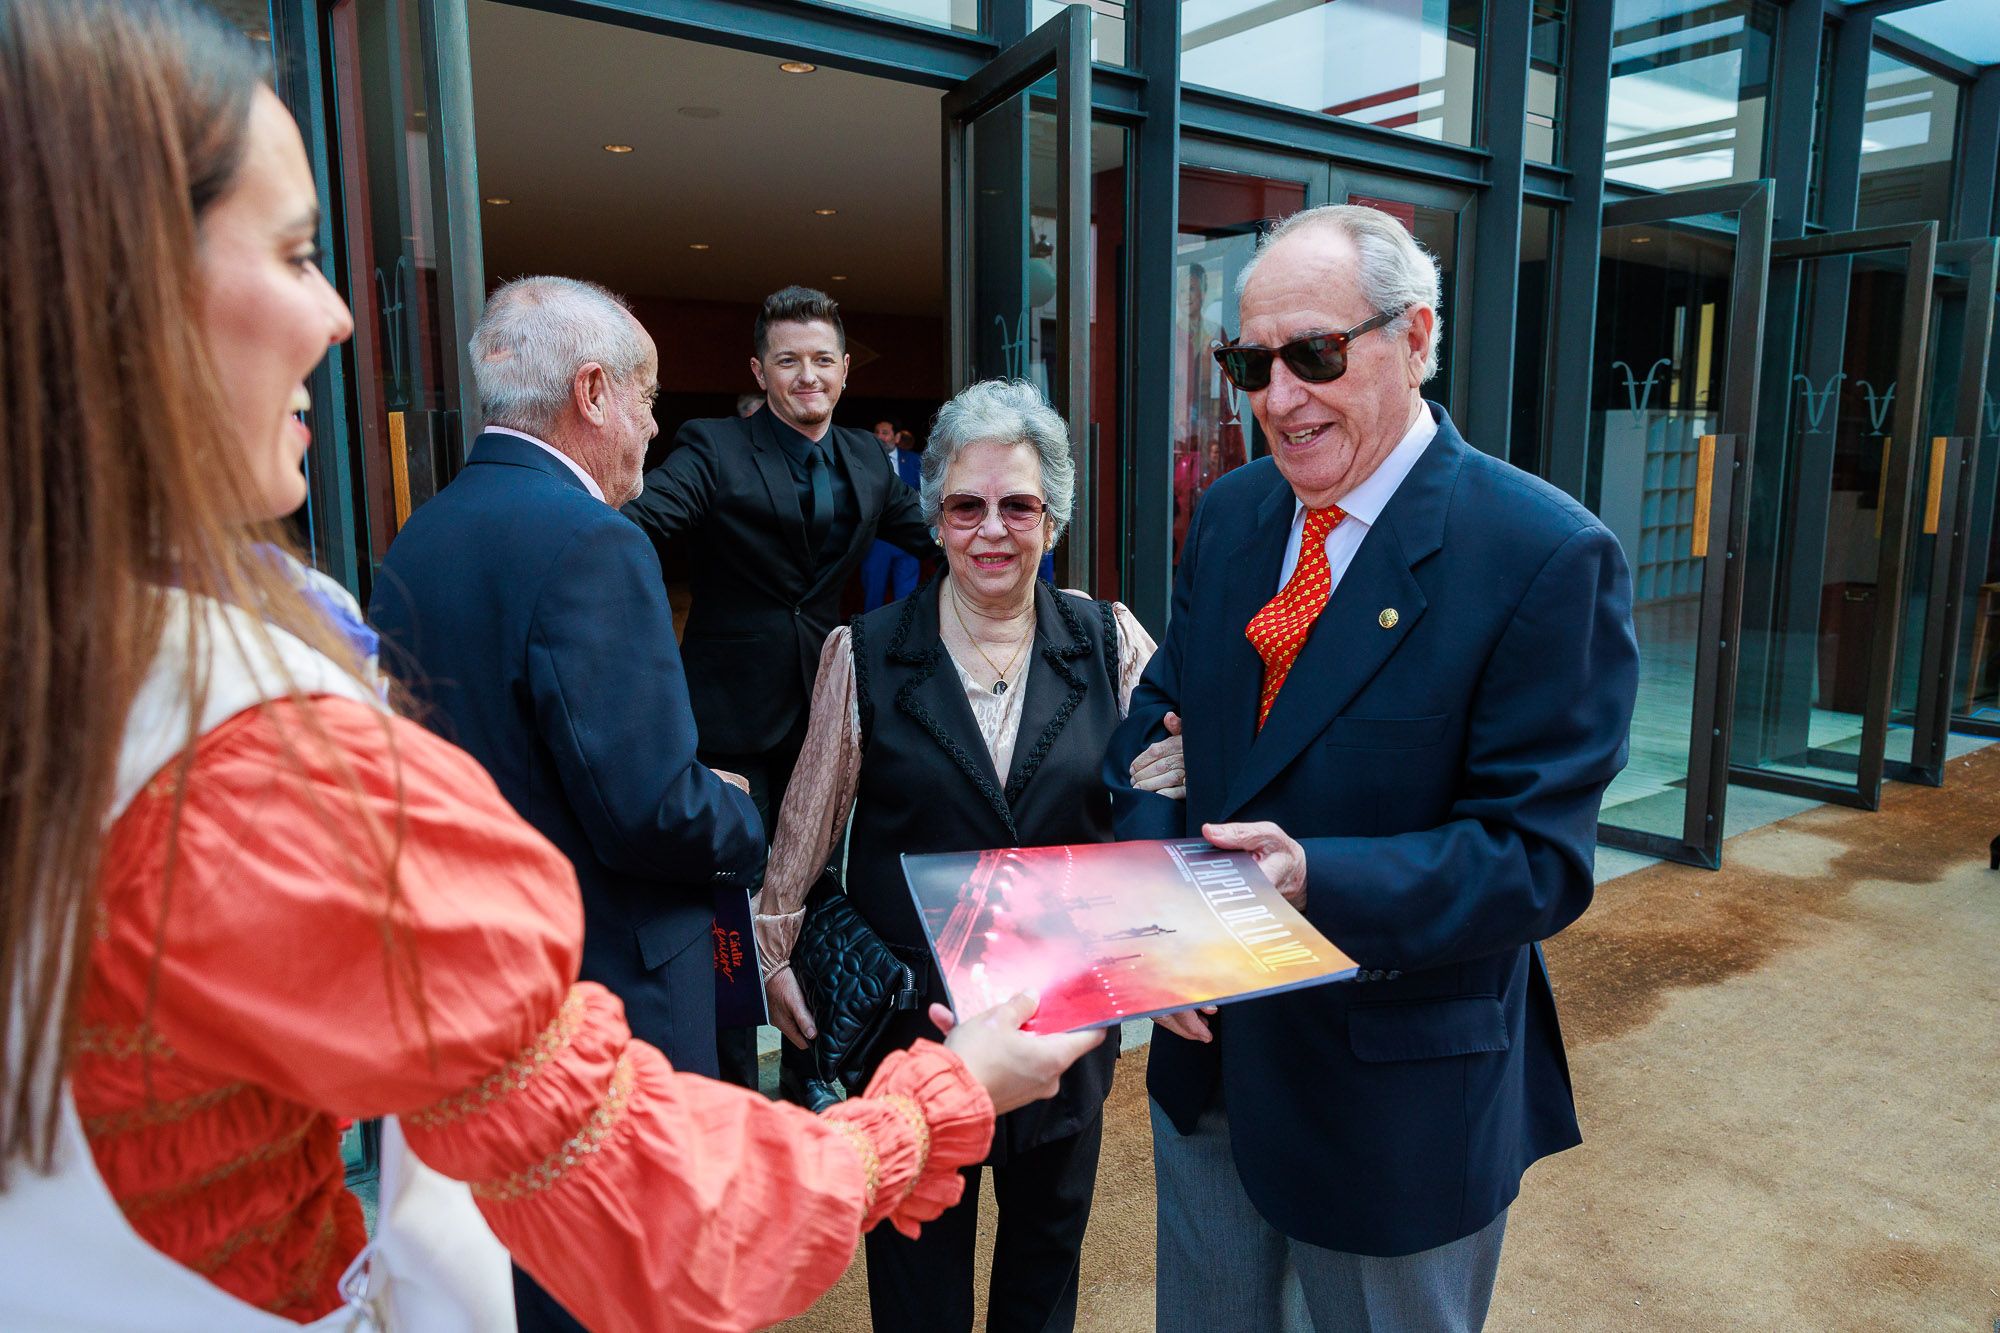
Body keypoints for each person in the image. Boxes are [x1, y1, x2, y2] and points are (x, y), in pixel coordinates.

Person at [0, 4, 1101, 1330]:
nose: (340, 316)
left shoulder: (364, 569)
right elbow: (669, 1215)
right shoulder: (251, 735)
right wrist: (944, 1091)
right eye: (295, 252)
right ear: (116, 294)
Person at [1106, 204, 1640, 1332]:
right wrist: (1159, 926)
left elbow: (1535, 861)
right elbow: (1160, 720)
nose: (1278, 396)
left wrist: (1312, 879)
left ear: (1415, 336)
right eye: (1250, 363)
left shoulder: (1543, 555)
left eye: (1314, 354)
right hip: (1208, 1057)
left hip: (1391, 1092)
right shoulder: (1235, 514)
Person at [368, 275, 767, 1330]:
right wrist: (744, 814)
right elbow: (646, 810)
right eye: (644, 396)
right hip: (607, 997)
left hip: (475, 994)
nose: (650, 425)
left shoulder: (418, 541)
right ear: (592, 392)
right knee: (630, 1281)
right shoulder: (594, 541)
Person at [759, 380, 1169, 1332]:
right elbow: (810, 814)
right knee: (916, 1291)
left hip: (1060, 1024)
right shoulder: (862, 651)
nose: (993, 530)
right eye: (966, 505)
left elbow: (1175, 775)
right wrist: (774, 949)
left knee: (1043, 1273)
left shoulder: (1109, 639)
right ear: (936, 517)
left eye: (1018, 505)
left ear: (1053, 516)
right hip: (914, 1026)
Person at [622, 286, 934, 1090]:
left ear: (842, 370)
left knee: (819, 899)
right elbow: (639, 529)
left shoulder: (869, 459)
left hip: (831, 715)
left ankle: (813, 1070)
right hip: (728, 719)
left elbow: (945, 538)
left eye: (823, 359)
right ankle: (732, 1090)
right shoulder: (714, 446)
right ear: (760, 370)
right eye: (789, 360)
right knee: (731, 909)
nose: (808, 376)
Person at [859, 417, 924, 610]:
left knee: (906, 596)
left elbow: (926, 494)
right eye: (876, 432)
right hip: (877, 539)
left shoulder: (914, 461)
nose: (879, 437)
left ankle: (902, 636)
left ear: (896, 437)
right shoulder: (863, 462)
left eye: (884, 433)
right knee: (873, 594)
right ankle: (871, 637)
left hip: (908, 539)